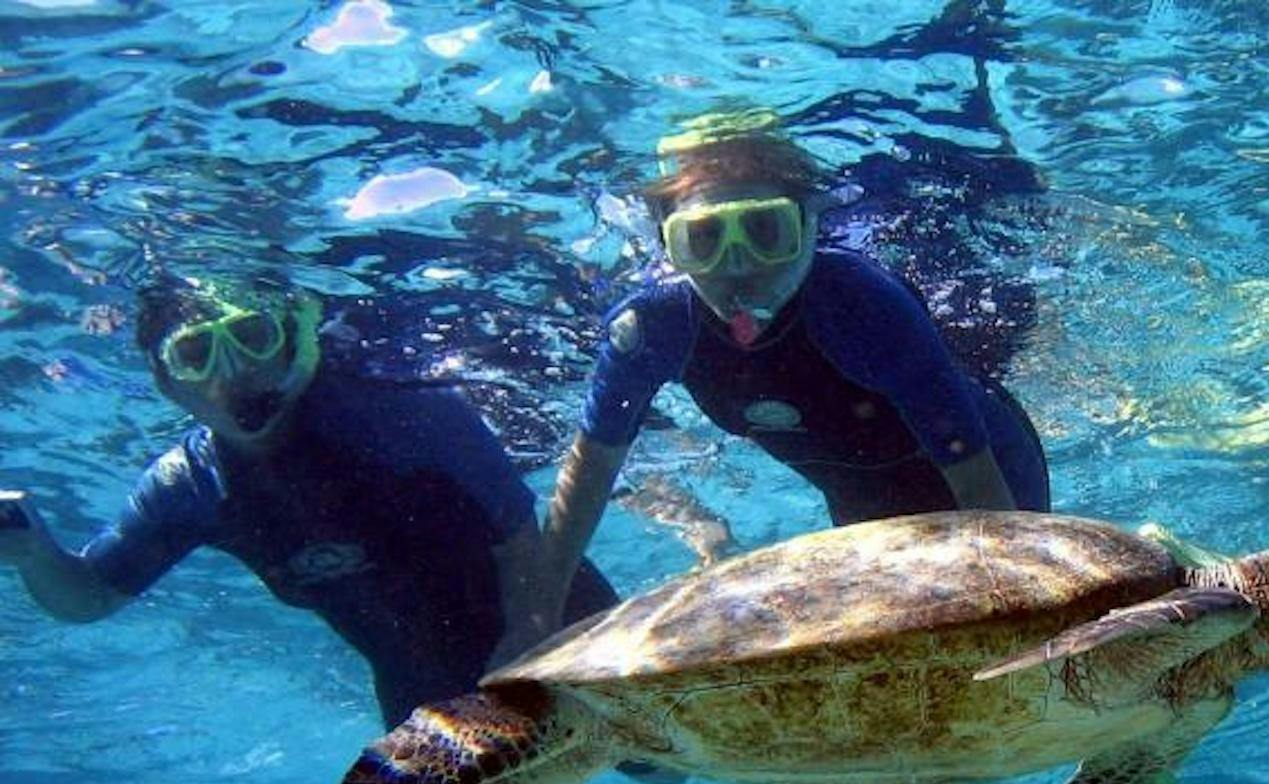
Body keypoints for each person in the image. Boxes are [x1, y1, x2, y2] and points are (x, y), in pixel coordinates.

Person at [0, 274, 620, 730]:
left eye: (251, 336)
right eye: (197, 354)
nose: (233, 372)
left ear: (293, 337)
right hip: (415, 668)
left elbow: (520, 534)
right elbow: (90, 596)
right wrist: (31, 549)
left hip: (544, 608)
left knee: (659, 762)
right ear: (166, 381)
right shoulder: (188, 487)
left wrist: (528, 637)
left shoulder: (408, 416)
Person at [528, 110, 1052, 638]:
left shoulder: (860, 305)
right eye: (704, 239)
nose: (739, 265)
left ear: (806, 224)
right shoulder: (654, 327)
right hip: (861, 504)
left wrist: (1017, 594)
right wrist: (538, 614)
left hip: (995, 480)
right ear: (668, 243)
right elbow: (590, 472)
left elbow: (973, 474)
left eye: (764, 229)